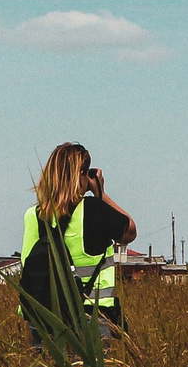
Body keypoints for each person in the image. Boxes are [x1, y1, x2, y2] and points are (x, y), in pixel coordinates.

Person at [17, 142, 136, 345]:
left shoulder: (33, 216)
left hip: (41, 318)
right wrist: (100, 194)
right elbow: (129, 232)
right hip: (89, 315)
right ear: (81, 175)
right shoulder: (92, 210)